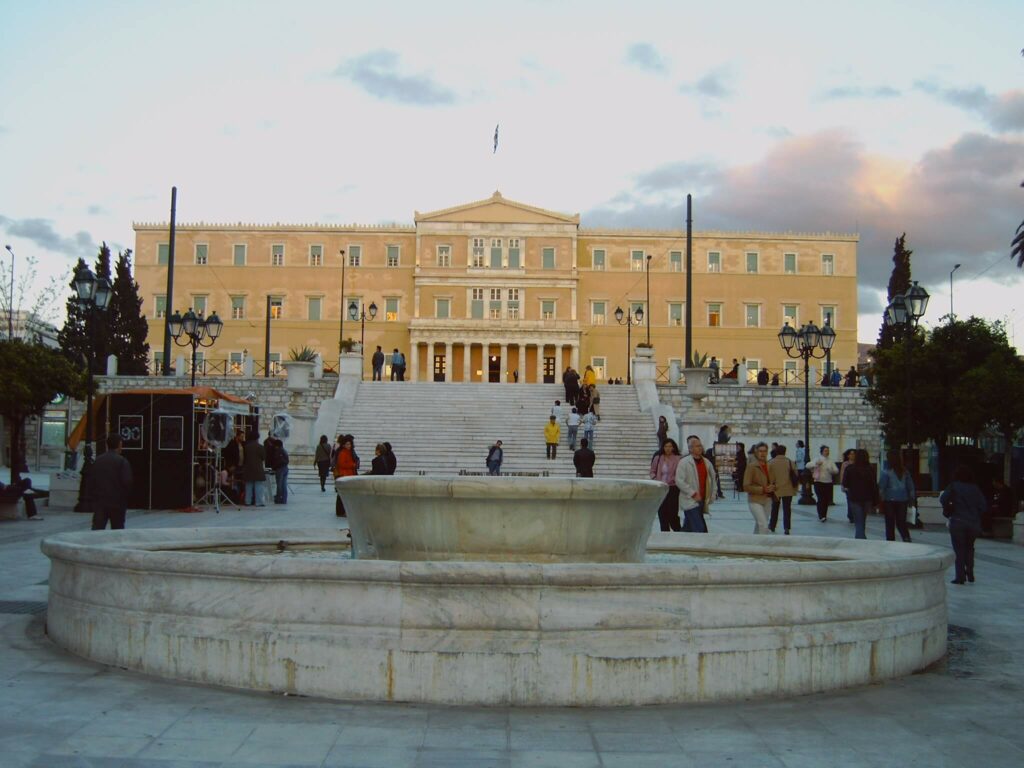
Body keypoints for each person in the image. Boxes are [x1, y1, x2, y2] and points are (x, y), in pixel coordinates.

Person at [941, 466, 985, 584]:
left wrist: (950, 508)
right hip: (973, 523)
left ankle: (960, 576)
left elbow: (943, 498)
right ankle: (970, 572)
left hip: (958, 521)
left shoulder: (953, 486)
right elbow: (983, 506)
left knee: (959, 549)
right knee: (970, 547)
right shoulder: (975, 488)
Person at [88, 434, 133, 530]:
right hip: (117, 502)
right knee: (117, 529)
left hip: (100, 501)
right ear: (120, 444)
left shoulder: (98, 460)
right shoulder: (122, 461)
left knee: (98, 529)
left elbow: (91, 480)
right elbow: (127, 482)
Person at [675, 435, 717, 533]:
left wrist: (712, 494)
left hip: (702, 499)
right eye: (697, 446)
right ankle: (703, 546)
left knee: (688, 527)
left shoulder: (707, 462)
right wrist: (692, 493)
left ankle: (680, 542)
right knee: (699, 528)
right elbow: (679, 480)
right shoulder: (684, 462)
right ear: (691, 449)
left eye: (700, 445)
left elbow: (713, 479)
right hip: (690, 500)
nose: (700, 447)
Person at [879, 450, 915, 542]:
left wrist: (881, 500)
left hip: (889, 500)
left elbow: (882, 488)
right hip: (903, 499)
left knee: (890, 522)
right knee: (901, 521)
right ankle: (906, 537)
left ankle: (890, 540)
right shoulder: (905, 472)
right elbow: (910, 487)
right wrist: (911, 498)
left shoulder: (886, 472)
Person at [842, 449, 879, 539]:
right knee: (863, 519)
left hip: (854, 497)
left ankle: (860, 537)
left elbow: (845, 483)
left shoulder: (850, 468)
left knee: (858, 520)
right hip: (867, 498)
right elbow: (874, 485)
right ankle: (861, 536)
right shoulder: (870, 469)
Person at [651, 438, 683, 531]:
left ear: (673, 447)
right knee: (662, 512)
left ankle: (677, 530)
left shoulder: (678, 458)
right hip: (660, 488)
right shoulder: (658, 458)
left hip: (673, 488)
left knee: (672, 512)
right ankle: (664, 532)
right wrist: (655, 479)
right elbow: (652, 471)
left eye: (670, 446)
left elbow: (681, 473)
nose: (668, 448)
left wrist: (675, 480)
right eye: (666, 446)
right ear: (663, 447)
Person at [742, 442, 774, 534]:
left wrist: (773, 486)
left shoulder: (770, 465)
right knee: (763, 525)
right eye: (760, 451)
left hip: (767, 499)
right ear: (756, 452)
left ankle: (754, 544)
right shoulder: (751, 467)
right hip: (755, 500)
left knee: (759, 524)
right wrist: (762, 489)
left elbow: (774, 481)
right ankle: (763, 546)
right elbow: (746, 486)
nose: (762, 453)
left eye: (764, 451)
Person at [768, 444, 798, 534]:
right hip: (788, 489)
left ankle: (772, 525)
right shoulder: (790, 462)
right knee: (787, 508)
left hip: (776, 489)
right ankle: (786, 527)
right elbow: (795, 475)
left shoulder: (771, 462)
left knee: (775, 507)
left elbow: (769, 476)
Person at [809, 445, 838, 522]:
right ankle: (821, 515)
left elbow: (836, 470)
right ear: (822, 451)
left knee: (826, 499)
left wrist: (831, 470)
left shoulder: (830, 461)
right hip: (818, 482)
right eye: (825, 450)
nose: (827, 452)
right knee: (821, 498)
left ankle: (824, 514)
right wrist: (816, 464)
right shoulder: (817, 459)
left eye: (828, 450)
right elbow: (808, 465)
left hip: (828, 482)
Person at [333, 435, 359, 517]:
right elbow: (341, 464)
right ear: (344, 445)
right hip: (344, 475)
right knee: (342, 495)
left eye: (350, 444)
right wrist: (353, 465)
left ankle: (344, 510)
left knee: (345, 494)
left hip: (349, 475)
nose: (349, 446)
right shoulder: (342, 453)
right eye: (347, 444)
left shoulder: (349, 452)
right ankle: (340, 511)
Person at [241, 430, 266, 507]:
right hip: (258, 468)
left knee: (248, 485)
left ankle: (247, 501)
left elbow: (243, 458)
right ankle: (259, 502)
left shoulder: (246, 447)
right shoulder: (260, 447)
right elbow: (263, 457)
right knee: (258, 486)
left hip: (248, 468)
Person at [838, 449, 856, 523]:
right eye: (851, 454)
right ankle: (850, 515)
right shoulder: (845, 464)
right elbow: (842, 474)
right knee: (849, 500)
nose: (852, 455)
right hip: (848, 485)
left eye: (854, 454)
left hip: (856, 485)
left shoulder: (858, 463)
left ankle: (855, 515)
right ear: (848, 455)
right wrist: (842, 484)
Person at [272, 438, 289, 504]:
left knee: (279, 484)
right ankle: (284, 499)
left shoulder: (278, 451)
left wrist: (274, 467)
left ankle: (279, 498)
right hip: (285, 468)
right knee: (284, 484)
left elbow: (277, 461)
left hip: (280, 469)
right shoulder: (284, 450)